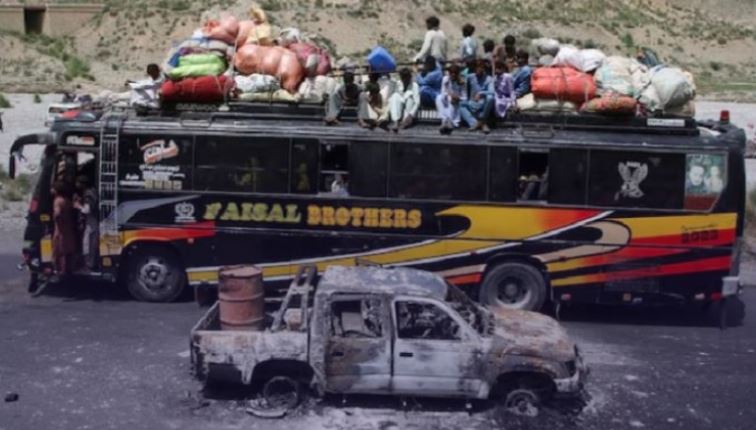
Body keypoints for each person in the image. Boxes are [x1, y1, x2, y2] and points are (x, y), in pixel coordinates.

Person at [459, 59, 494, 133]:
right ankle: (476, 123)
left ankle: (482, 120)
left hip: (483, 105)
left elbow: (492, 91)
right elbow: (461, 78)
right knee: (461, 104)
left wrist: (481, 93)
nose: (479, 69)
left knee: (490, 98)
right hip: (472, 103)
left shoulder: (489, 78)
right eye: (477, 67)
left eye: (481, 67)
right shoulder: (470, 77)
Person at [52, 181, 77, 277]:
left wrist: (55, 219)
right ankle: (66, 270)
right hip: (68, 228)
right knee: (67, 251)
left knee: (59, 251)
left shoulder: (57, 201)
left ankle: (59, 271)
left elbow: (57, 214)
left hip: (60, 229)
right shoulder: (67, 200)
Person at [74, 176, 98, 271]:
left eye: (78, 183)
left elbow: (87, 210)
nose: (76, 185)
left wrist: (78, 206)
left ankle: (89, 264)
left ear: (82, 184)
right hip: (92, 221)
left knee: (88, 243)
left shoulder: (88, 194)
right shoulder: (92, 191)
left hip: (91, 222)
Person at [436, 64, 466, 134]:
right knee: (438, 97)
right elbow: (442, 93)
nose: (453, 74)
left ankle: (449, 121)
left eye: (455, 73)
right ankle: (444, 120)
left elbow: (465, 97)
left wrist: (458, 98)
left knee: (451, 100)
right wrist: (447, 90)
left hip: (456, 103)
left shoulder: (462, 82)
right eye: (451, 73)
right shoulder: (445, 79)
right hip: (447, 100)